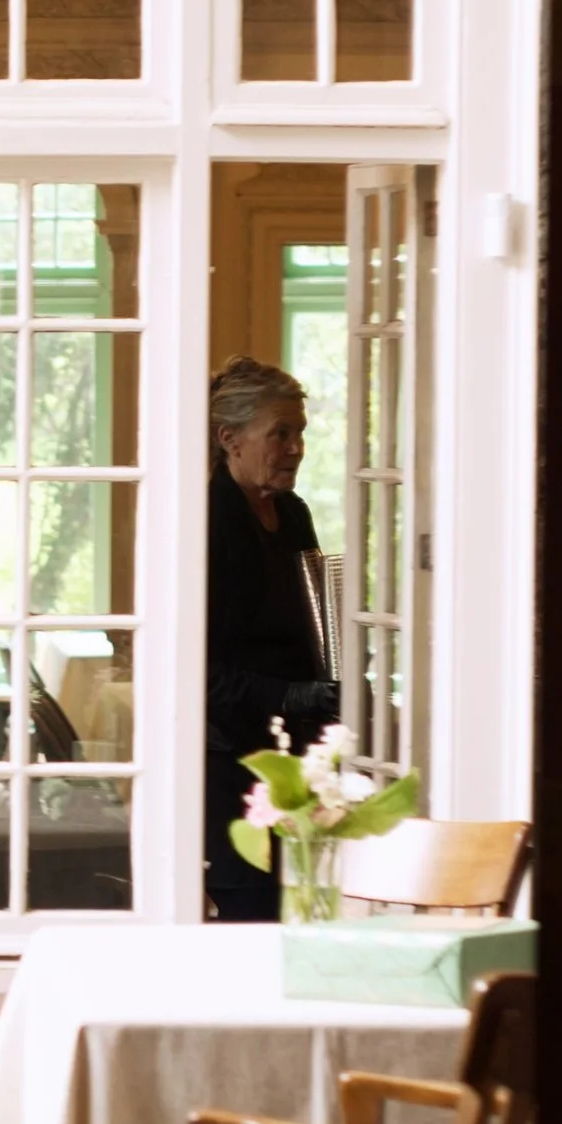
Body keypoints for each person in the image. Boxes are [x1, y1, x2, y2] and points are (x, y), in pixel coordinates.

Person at [204, 356, 340, 921]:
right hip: (230, 765)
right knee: (253, 924)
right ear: (229, 439)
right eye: (279, 433)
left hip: (296, 763)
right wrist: (293, 697)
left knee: (305, 917)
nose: (295, 448)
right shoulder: (206, 520)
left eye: (300, 433)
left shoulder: (294, 513)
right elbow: (201, 674)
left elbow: (311, 624)